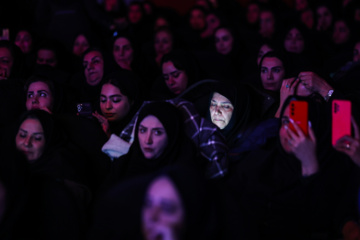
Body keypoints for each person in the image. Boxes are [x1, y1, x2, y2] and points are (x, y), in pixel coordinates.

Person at [227, 95, 359, 239]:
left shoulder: (335, 172)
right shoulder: (258, 161)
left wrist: (310, 166)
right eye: (285, 122)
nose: (291, 130)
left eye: (300, 123)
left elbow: (320, 223)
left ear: (316, 126)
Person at [109, 102, 198, 182]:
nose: (147, 140)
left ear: (172, 137)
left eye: (157, 132)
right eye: (143, 130)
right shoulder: (122, 166)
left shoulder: (186, 175)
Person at [92, 70, 141, 138]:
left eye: (115, 100)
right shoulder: (96, 125)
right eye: (103, 100)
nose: (107, 106)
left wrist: (108, 136)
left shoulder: (142, 128)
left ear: (131, 101)